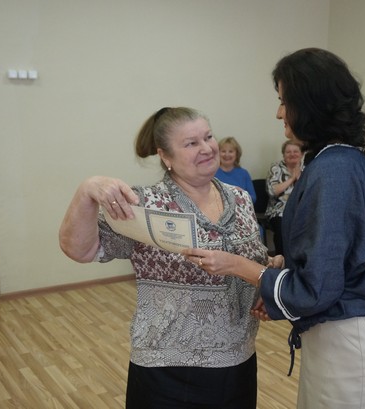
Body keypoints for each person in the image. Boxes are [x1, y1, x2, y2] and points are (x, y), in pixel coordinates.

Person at [182, 48, 365, 409]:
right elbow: (334, 259)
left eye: (284, 101)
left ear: (310, 103)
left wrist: (240, 266)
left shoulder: (333, 170)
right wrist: (284, 265)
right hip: (333, 342)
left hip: (346, 348)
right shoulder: (337, 160)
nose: (279, 112)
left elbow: (317, 288)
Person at [59, 107, 269, 409]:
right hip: (167, 371)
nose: (207, 148)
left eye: (208, 137)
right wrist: (86, 191)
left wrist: (266, 280)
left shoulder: (240, 198)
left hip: (239, 363)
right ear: (165, 156)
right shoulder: (144, 204)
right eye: (191, 143)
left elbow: (255, 259)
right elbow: (80, 249)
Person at [264, 139, 303, 255]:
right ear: (283, 155)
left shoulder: (308, 169)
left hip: (302, 209)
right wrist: (292, 178)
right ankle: (282, 259)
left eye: (295, 151)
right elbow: (272, 191)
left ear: (301, 154)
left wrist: (300, 178)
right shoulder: (276, 168)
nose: (292, 154)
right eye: (288, 152)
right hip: (279, 210)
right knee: (282, 227)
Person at [215, 136, 257, 203]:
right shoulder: (212, 173)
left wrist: (241, 196)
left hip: (239, 207)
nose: (227, 154)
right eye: (223, 151)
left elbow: (253, 198)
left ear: (237, 154)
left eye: (231, 151)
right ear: (218, 153)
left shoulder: (244, 173)